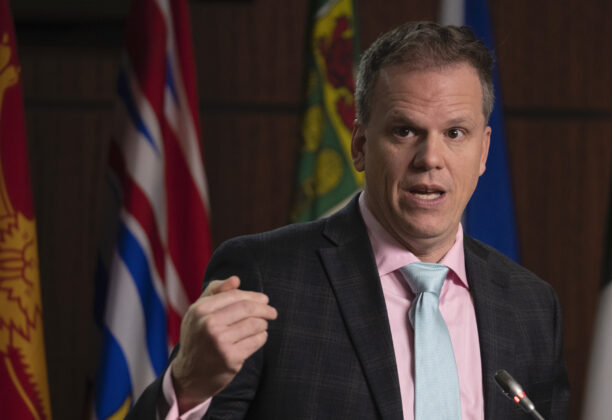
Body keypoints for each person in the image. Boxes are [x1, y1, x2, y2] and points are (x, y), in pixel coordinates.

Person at [128, 21, 570, 419]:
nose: (430, 158)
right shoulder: (267, 276)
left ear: (483, 151)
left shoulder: (530, 307)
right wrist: (186, 389)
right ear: (360, 144)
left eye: (455, 133)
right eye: (405, 131)